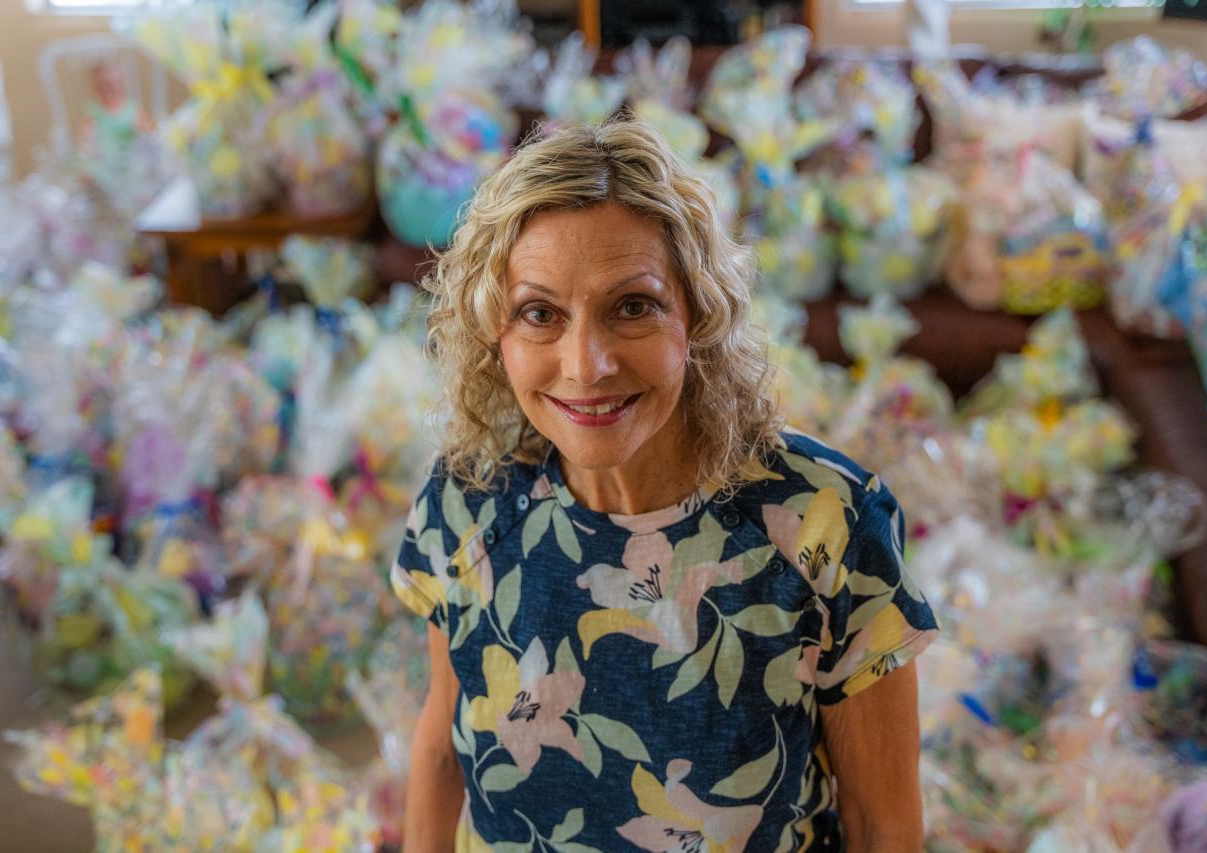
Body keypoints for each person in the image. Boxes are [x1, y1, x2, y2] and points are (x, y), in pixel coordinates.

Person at [393, 117, 939, 852]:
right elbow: (438, 751)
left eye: (632, 306)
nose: (586, 365)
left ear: (697, 311)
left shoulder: (823, 525)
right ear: (497, 331)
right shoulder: (465, 501)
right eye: (540, 313)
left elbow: (885, 828)